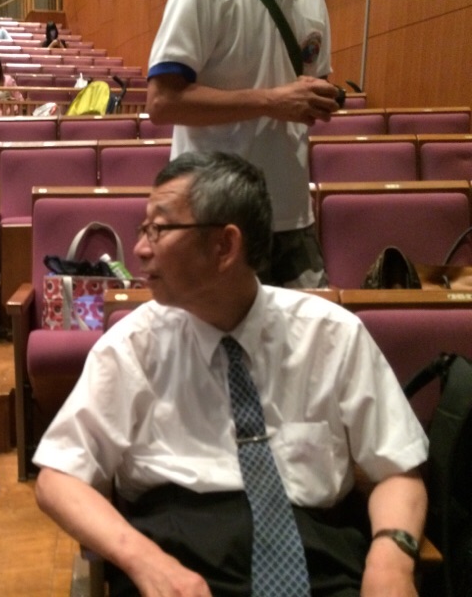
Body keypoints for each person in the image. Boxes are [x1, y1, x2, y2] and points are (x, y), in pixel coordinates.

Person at [34, 151, 429, 597]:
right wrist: (144, 560)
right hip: (178, 562)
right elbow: (58, 477)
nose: (141, 248)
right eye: (144, 229)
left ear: (224, 246)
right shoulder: (132, 345)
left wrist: (391, 563)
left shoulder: (332, 334)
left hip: (318, 559)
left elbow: (397, 468)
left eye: (158, 229)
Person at [146, 0, 342, 289]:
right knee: (210, 321)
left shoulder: (314, 2)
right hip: (211, 220)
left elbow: (312, 85)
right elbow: (162, 101)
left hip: (292, 217)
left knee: (309, 319)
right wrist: (269, 101)